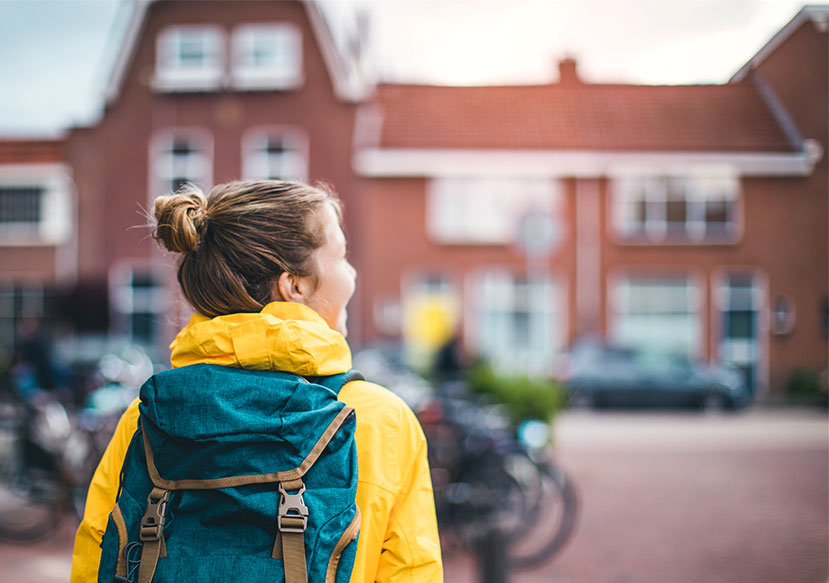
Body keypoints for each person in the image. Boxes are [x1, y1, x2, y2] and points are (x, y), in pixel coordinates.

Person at [70, 180, 443, 582]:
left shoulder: (148, 418)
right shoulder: (377, 418)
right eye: (341, 256)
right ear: (294, 285)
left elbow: (96, 555)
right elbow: (410, 570)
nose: (351, 274)